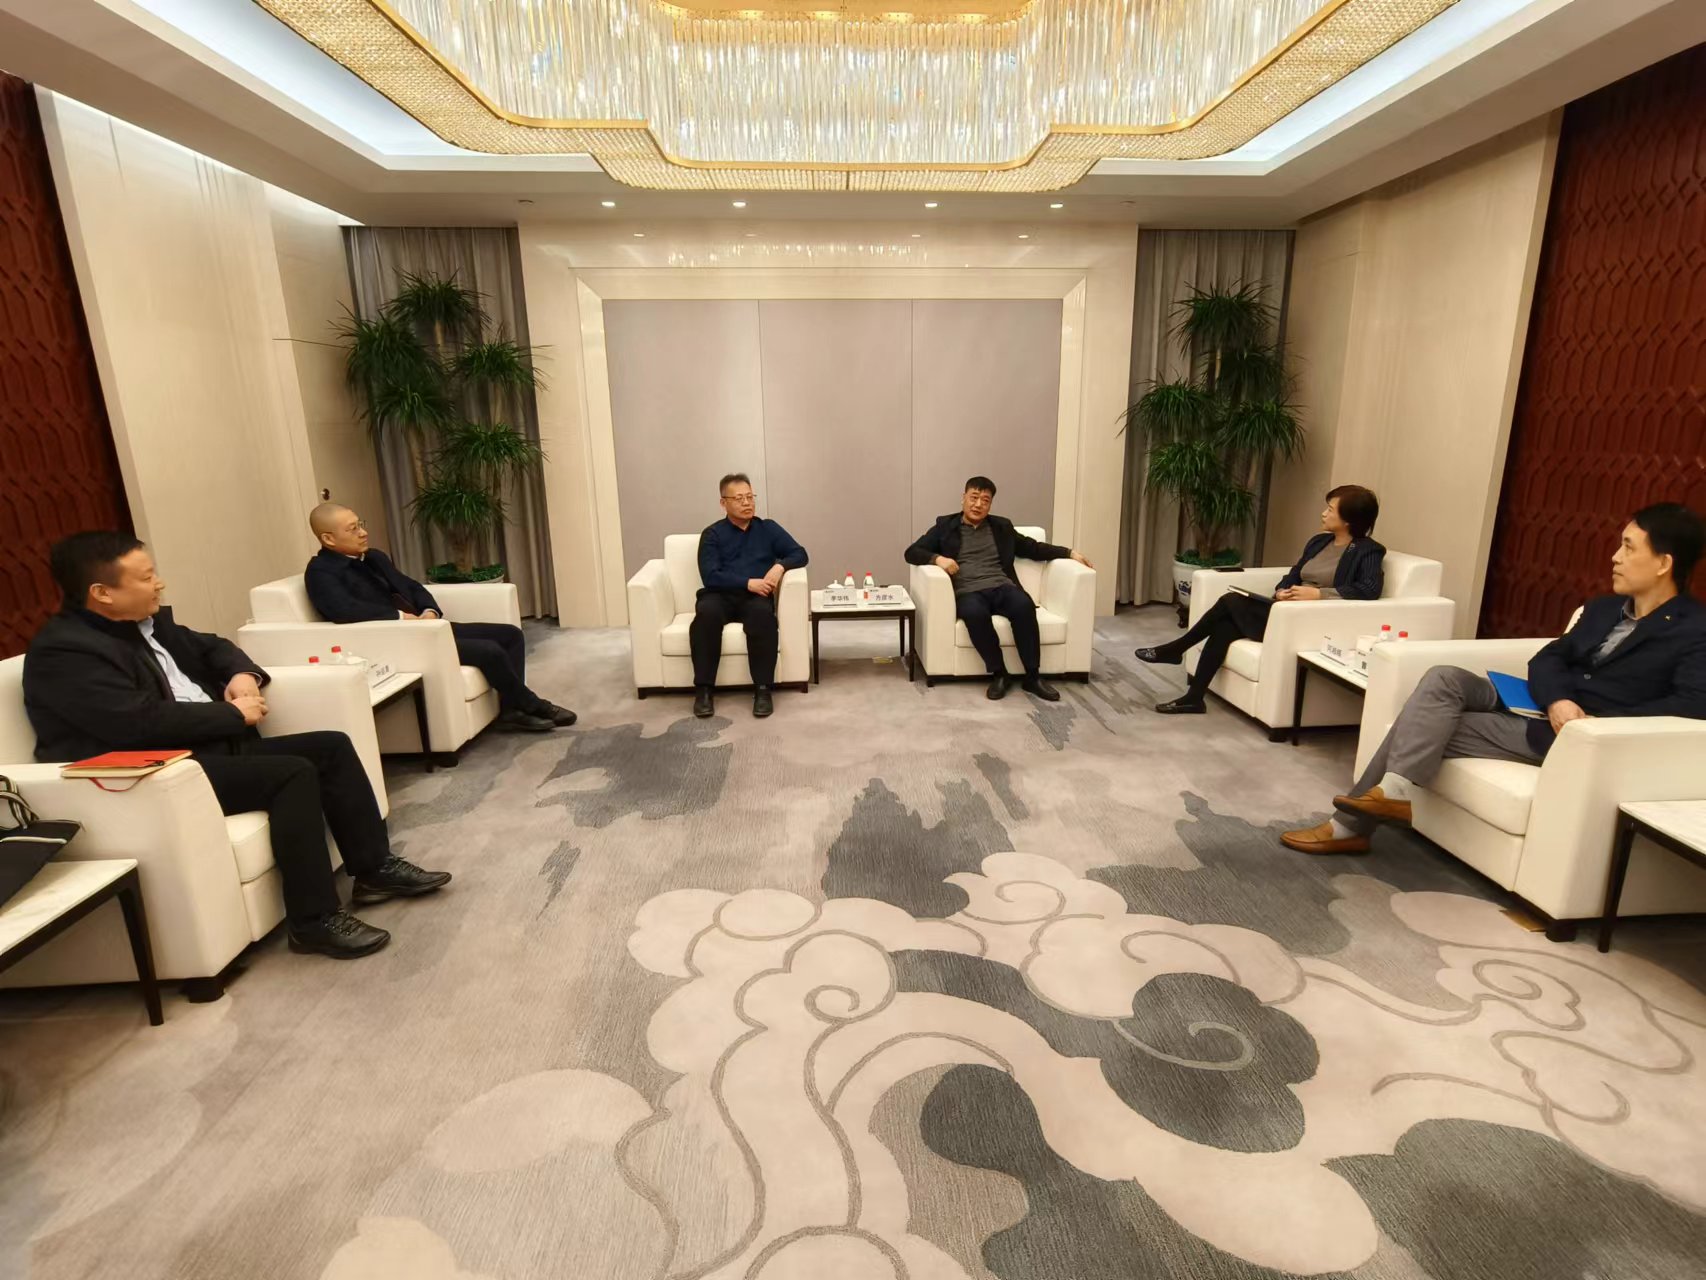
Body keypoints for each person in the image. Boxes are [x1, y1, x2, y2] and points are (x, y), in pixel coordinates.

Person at [24, 532, 451, 959]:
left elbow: (216, 647)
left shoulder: (148, 625)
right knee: (292, 773)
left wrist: (243, 676)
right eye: (147, 577)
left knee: (331, 747)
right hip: (152, 774)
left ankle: (374, 870)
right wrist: (232, 714)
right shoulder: (66, 653)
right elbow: (137, 723)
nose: (159, 584)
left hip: (204, 750)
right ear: (102, 593)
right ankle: (313, 921)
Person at [1282, 503, 1706, 854]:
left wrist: (1597, 724)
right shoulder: (1604, 608)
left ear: (1663, 563)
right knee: (1444, 678)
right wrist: (1557, 699)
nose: (1614, 556)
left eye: (1628, 547)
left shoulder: (1694, 630)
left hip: (1577, 736)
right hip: (1540, 704)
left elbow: (1691, 703)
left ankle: (1350, 827)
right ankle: (1391, 796)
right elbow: (1549, 658)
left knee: (1423, 720)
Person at [303, 504, 575, 734]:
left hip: (427, 628)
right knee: (489, 651)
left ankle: (510, 710)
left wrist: (428, 610)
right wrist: (402, 619)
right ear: (328, 539)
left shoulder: (374, 557)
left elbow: (411, 586)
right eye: (352, 529)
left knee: (510, 634)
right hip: (395, 640)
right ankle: (533, 704)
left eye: (360, 525)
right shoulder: (321, 573)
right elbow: (344, 611)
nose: (363, 532)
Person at [1135, 485, 1384, 714]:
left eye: (1330, 509)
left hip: (1307, 622)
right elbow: (1294, 574)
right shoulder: (1319, 542)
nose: (1323, 513)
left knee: (1231, 600)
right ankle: (1194, 698)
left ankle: (1176, 649)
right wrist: (1282, 591)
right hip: (1283, 610)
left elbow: (1369, 589)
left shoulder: (1367, 550)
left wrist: (1320, 594)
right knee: (1224, 627)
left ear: (1349, 519)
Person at [904, 476, 1094, 702]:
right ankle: (1000, 674)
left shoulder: (1001, 527)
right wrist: (938, 559)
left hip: (1001, 586)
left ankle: (1033, 677)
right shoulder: (945, 526)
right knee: (975, 614)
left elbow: (1033, 548)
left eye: (985, 500)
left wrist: (1069, 553)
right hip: (968, 591)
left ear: (990, 504)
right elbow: (912, 552)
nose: (978, 504)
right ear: (963, 498)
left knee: (1023, 605)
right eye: (974, 497)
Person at [692, 473, 808, 720]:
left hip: (755, 599)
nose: (747, 503)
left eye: (750, 497)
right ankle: (704, 691)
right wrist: (748, 583)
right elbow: (710, 576)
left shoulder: (768, 529)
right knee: (706, 616)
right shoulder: (712, 534)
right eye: (739, 498)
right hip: (719, 595)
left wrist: (780, 567)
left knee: (762, 616)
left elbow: (800, 553)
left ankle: (763, 690)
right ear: (723, 503)